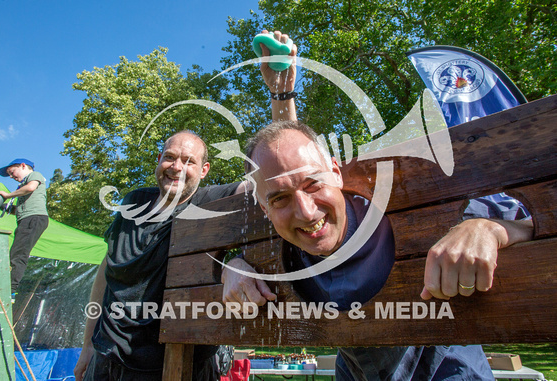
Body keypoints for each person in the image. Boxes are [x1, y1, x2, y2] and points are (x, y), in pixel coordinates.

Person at [221, 31, 534, 380]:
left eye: (316, 185)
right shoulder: (282, 244)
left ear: (337, 173)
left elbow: (530, 223)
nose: (307, 212)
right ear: (264, 210)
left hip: (447, 367)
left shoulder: (394, 208)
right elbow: (285, 164)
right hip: (357, 369)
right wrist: (229, 264)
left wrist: (487, 228)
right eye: (279, 200)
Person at [74, 131, 246, 381]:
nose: (177, 167)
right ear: (158, 160)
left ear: (204, 170)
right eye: (169, 157)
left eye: (189, 161)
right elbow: (106, 273)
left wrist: (281, 98)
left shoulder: (209, 203)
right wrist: (88, 344)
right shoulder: (132, 203)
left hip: (179, 365)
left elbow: (271, 181)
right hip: (105, 360)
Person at [0, 158, 49, 295]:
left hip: (34, 218)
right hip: (28, 219)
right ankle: (9, 287)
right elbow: (21, 208)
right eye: (10, 175)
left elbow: (31, 188)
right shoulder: (22, 188)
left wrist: (7, 195)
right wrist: (4, 207)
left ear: (23, 166)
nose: (12, 177)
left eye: (12, 172)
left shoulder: (34, 176)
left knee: (18, 254)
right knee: (16, 252)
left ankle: (10, 290)